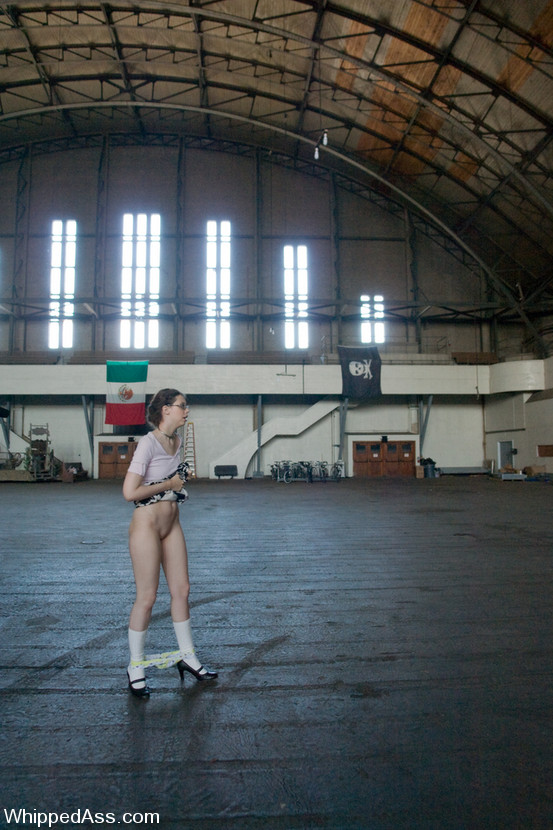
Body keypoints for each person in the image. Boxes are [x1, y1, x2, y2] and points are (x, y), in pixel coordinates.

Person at [122, 388, 217, 697]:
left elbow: (170, 481)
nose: (186, 411)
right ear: (165, 410)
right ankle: (135, 666)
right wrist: (170, 483)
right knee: (147, 597)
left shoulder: (176, 441)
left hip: (172, 523)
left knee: (182, 590)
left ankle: (188, 656)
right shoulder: (147, 444)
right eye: (181, 406)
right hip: (147, 526)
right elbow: (129, 492)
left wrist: (178, 484)